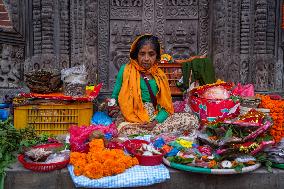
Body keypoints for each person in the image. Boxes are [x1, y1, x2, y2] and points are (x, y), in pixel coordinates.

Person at [109, 34, 199, 136]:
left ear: (157, 56)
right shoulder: (125, 70)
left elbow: (166, 107)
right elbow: (115, 96)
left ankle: (151, 132)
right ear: (136, 54)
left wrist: (155, 122)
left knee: (192, 120)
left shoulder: (160, 75)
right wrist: (112, 106)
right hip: (132, 117)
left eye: (151, 54)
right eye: (142, 54)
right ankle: (158, 133)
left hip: (155, 117)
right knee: (126, 130)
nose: (146, 58)